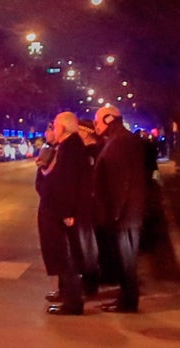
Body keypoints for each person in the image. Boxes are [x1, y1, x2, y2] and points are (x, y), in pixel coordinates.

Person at [40, 111, 97, 315]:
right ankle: (67, 295)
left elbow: (68, 183)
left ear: (62, 127)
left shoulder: (71, 148)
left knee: (66, 258)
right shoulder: (67, 146)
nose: (53, 129)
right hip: (59, 211)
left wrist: (66, 212)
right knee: (63, 256)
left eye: (55, 126)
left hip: (62, 213)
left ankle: (72, 303)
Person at [92, 104, 146, 313]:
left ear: (108, 119)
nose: (95, 125)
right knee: (125, 260)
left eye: (97, 121)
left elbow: (120, 181)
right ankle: (125, 298)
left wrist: (114, 213)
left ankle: (128, 301)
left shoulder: (120, 142)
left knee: (126, 260)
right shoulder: (119, 140)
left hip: (123, 216)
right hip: (125, 214)